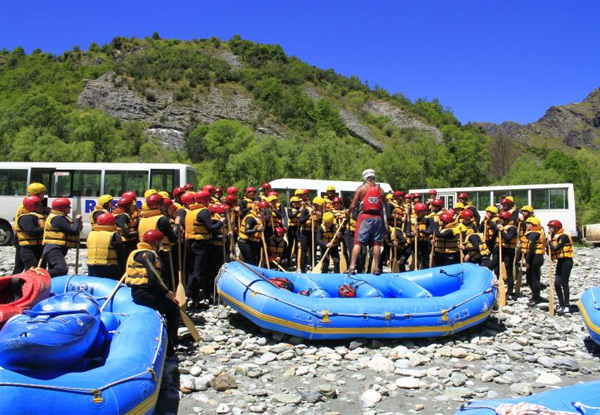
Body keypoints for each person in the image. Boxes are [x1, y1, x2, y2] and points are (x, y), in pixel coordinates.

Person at [125, 229, 179, 356]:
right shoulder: (148, 255)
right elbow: (152, 279)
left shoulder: (137, 252)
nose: (161, 245)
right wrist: (166, 293)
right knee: (173, 308)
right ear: (155, 243)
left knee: (168, 305)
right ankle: (171, 343)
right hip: (144, 294)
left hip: (140, 292)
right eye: (159, 242)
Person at [185, 191, 225, 307]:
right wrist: (221, 223)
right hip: (200, 245)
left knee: (193, 272)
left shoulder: (191, 211)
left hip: (191, 244)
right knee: (198, 273)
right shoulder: (203, 211)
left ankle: (192, 296)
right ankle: (192, 297)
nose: (209, 201)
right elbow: (210, 228)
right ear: (203, 200)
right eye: (207, 199)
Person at [346, 169, 387, 275]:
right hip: (378, 218)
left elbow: (354, 205)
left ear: (364, 177)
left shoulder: (361, 189)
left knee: (358, 242)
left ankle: (351, 267)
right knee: (377, 243)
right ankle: (377, 268)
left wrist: (348, 212)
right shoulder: (381, 190)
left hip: (365, 217)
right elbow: (384, 207)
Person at [12, 182, 48, 274]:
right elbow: (28, 224)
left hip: (27, 238)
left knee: (21, 265)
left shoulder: (32, 203)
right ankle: (12, 285)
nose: (43, 195)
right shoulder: (26, 206)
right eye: (42, 193)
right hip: (22, 237)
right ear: (38, 193)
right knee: (20, 265)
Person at [42, 198, 82, 277]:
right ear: (62, 208)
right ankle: (40, 276)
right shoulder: (58, 218)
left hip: (56, 247)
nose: (70, 208)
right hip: (53, 248)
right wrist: (77, 220)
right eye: (68, 206)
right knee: (61, 269)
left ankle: (52, 286)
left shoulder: (60, 217)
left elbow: (75, 231)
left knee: (54, 270)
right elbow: (72, 231)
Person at [86, 212, 126, 279]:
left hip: (92, 267)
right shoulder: (114, 235)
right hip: (109, 267)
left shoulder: (91, 234)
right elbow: (120, 255)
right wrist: (123, 270)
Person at [547, 220, 574, 314]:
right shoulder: (553, 238)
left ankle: (567, 305)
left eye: (551, 227)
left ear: (556, 228)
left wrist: (549, 241)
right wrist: (548, 244)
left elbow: (556, 248)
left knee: (564, 282)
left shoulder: (563, 236)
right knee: (556, 283)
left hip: (567, 261)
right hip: (560, 261)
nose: (550, 229)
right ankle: (561, 303)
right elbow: (550, 251)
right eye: (549, 227)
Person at [523, 216, 545, 306]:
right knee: (531, 277)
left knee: (533, 278)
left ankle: (536, 297)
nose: (527, 225)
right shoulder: (536, 232)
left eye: (529, 224)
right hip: (536, 257)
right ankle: (535, 295)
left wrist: (527, 261)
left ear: (534, 225)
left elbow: (531, 248)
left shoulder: (534, 234)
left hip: (535, 257)